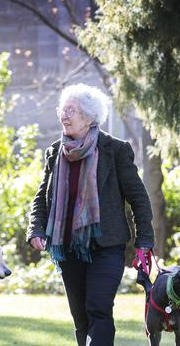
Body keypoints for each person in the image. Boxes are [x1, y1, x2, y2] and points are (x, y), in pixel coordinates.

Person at [27, 84, 154, 345]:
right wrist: (36, 229)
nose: (64, 115)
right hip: (68, 248)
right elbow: (42, 196)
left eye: (71, 110)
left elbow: (138, 198)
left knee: (98, 307)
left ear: (89, 116)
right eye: (62, 109)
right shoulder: (55, 152)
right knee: (80, 317)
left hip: (106, 246)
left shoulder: (115, 150)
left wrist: (145, 241)